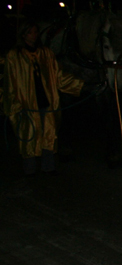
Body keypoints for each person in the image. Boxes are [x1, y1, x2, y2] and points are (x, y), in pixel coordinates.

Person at [2, 20, 84, 176]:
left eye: (35, 32)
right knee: (29, 134)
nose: (34, 35)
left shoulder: (46, 53)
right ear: (24, 34)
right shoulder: (15, 55)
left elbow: (58, 76)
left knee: (48, 133)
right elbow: (10, 82)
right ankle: (30, 168)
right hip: (27, 103)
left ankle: (48, 166)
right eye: (31, 32)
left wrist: (80, 85)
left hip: (46, 101)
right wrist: (14, 104)